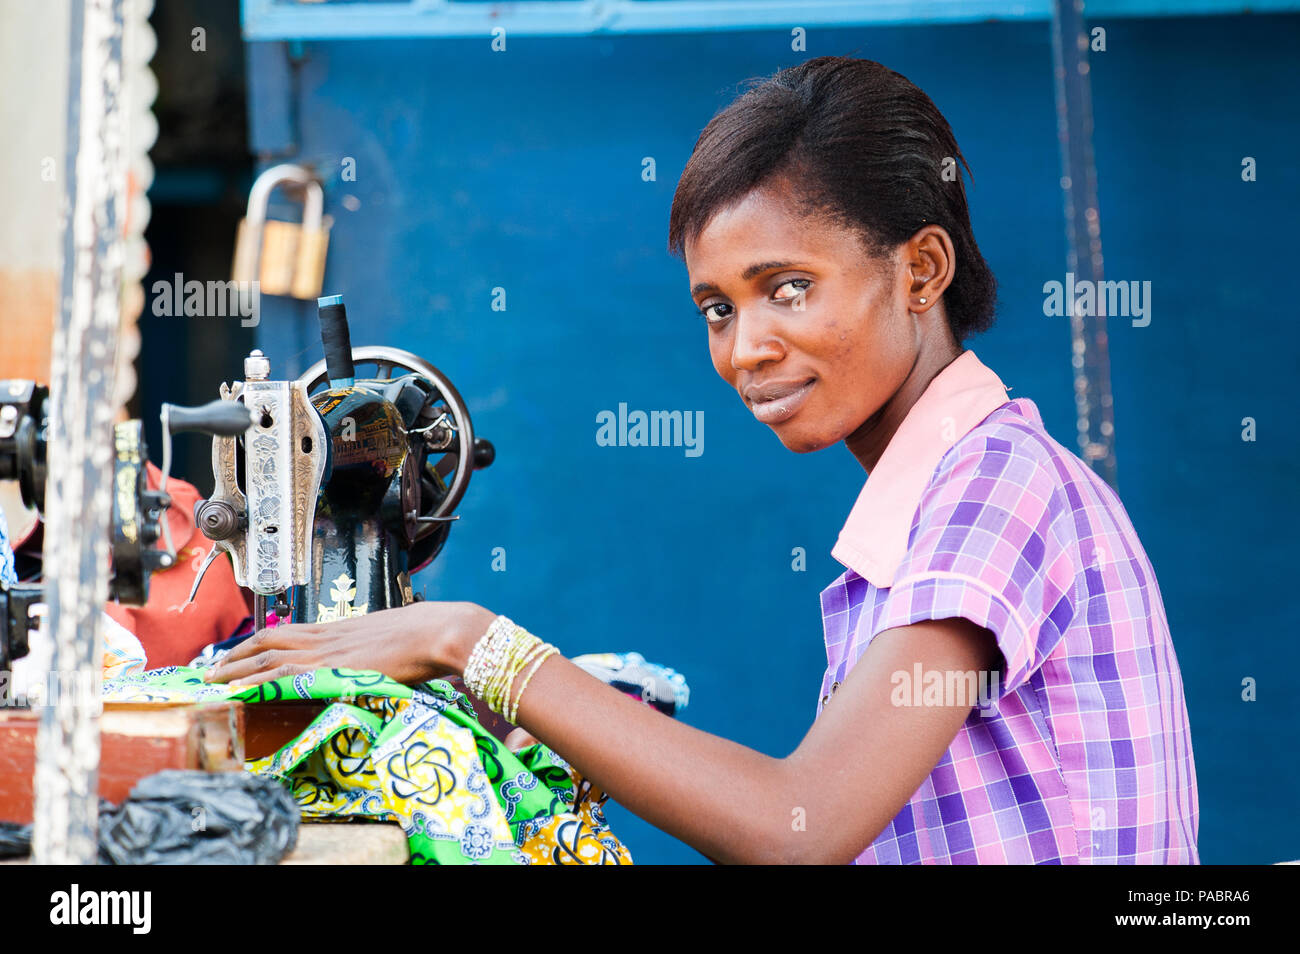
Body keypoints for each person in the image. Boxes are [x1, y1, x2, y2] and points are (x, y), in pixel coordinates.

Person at [208, 56, 1199, 865]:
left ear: (920, 270)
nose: (744, 349)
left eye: (789, 288)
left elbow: (796, 825)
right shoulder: (950, 495)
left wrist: (477, 644)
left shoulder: (996, 493)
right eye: (718, 308)